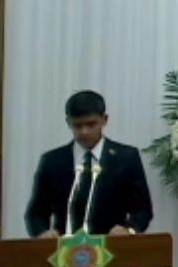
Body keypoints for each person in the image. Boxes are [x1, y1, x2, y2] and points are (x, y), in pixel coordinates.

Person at [25, 90, 153, 237]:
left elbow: (143, 210)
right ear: (68, 122)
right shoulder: (52, 161)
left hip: (112, 245)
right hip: (64, 247)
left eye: (91, 124)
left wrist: (129, 230)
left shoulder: (126, 157)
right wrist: (42, 233)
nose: (84, 131)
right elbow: (35, 213)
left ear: (104, 120)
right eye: (77, 125)